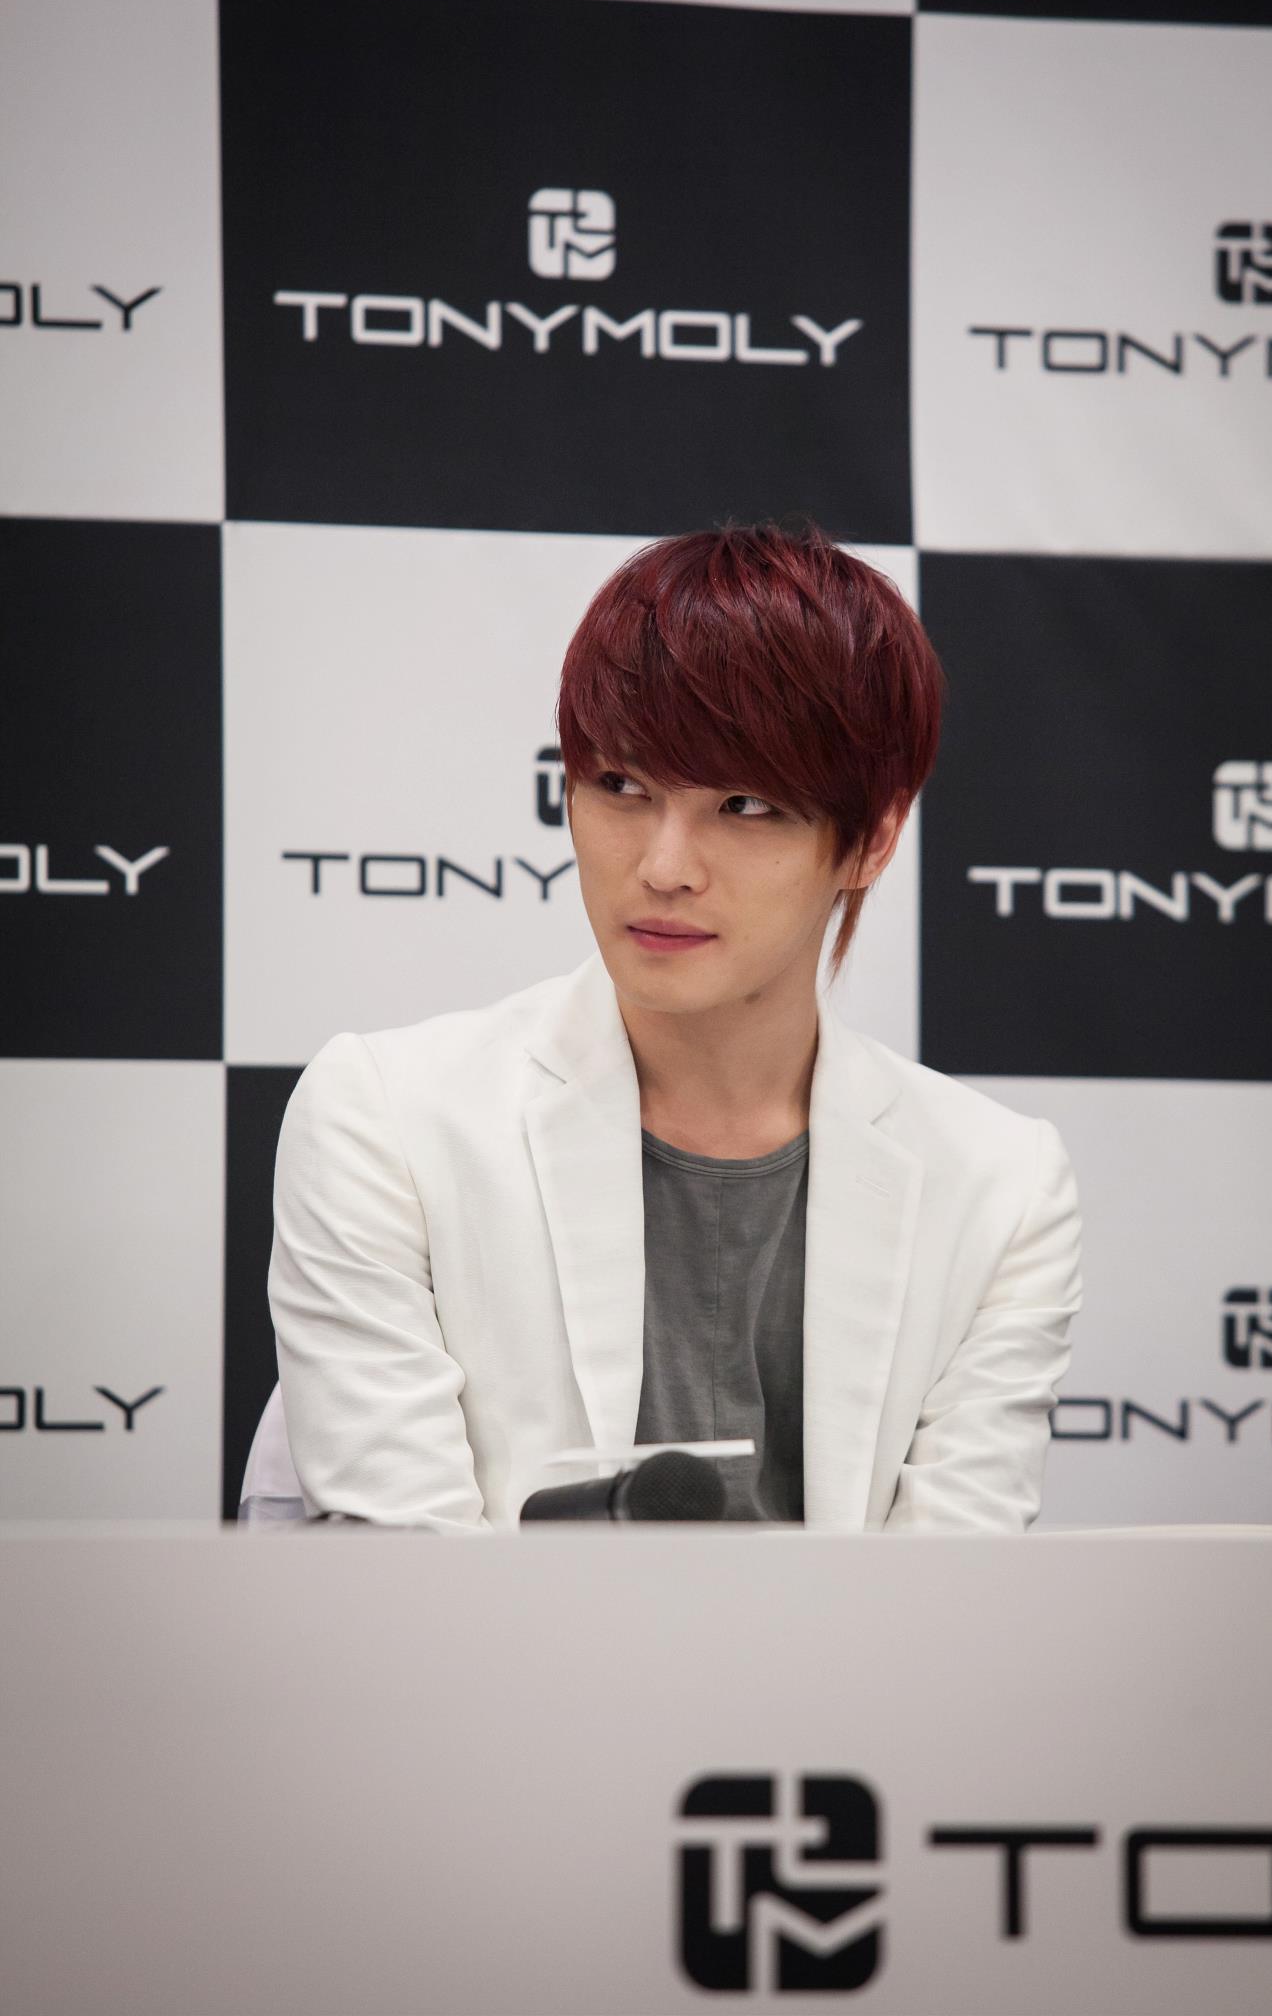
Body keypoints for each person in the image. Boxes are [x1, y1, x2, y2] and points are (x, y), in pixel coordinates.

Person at [267, 523, 1081, 1532]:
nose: (662, 866)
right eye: (621, 787)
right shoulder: (387, 1118)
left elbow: (946, 1595)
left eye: (744, 805)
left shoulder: (1002, 1187)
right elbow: (410, 1581)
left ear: (870, 839)